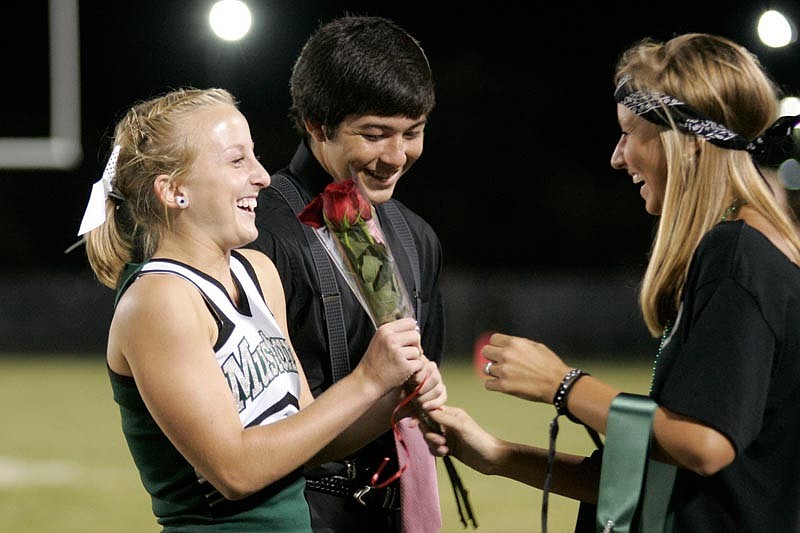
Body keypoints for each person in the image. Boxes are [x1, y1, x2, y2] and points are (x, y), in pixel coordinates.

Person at [424, 33, 800, 532]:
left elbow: (704, 445)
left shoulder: (737, 254)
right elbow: (665, 477)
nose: (617, 157)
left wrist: (563, 385)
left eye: (630, 132)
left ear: (684, 139)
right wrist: (499, 455)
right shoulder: (746, 249)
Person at [79, 87, 445, 531]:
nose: (262, 177)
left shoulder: (258, 273)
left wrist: (395, 398)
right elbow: (234, 472)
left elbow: (310, 440)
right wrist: (367, 380)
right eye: (237, 161)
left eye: (254, 157)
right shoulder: (160, 299)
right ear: (174, 190)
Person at [246, 15, 446, 533]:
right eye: (375, 135)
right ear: (316, 124)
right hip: (298, 515)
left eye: (413, 133)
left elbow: (417, 390)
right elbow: (252, 430)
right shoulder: (258, 235)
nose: (396, 156)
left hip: (396, 508)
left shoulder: (418, 238)